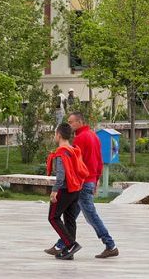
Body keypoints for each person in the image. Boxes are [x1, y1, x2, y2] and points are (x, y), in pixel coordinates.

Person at [47, 111, 119, 259]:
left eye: (71, 122)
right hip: (90, 180)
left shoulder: (79, 139)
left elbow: (76, 165)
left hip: (82, 183)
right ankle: (63, 244)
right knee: (71, 216)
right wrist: (96, 179)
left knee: (90, 216)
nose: (69, 124)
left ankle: (110, 245)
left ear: (79, 122)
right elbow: (99, 160)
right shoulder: (94, 135)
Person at [45, 122, 88, 261]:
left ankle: (70, 245)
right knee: (69, 220)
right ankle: (69, 253)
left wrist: (54, 191)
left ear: (58, 135)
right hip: (75, 190)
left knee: (53, 217)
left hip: (64, 189)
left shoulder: (61, 153)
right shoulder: (73, 150)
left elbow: (61, 175)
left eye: (55, 134)